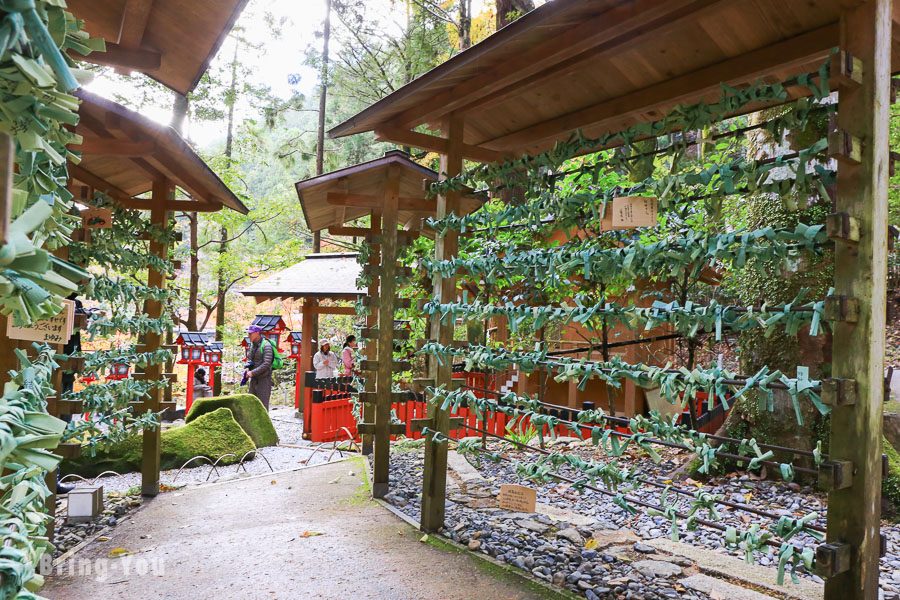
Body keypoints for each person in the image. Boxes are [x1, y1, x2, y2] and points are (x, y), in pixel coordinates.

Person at [244, 325, 274, 409]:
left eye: (250, 334)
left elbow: (266, 364)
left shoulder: (266, 345)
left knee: (262, 406)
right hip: (254, 379)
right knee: (251, 404)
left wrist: (253, 372)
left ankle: (264, 422)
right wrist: (247, 368)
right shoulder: (252, 345)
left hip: (264, 380)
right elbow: (250, 360)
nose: (248, 336)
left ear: (257, 333)